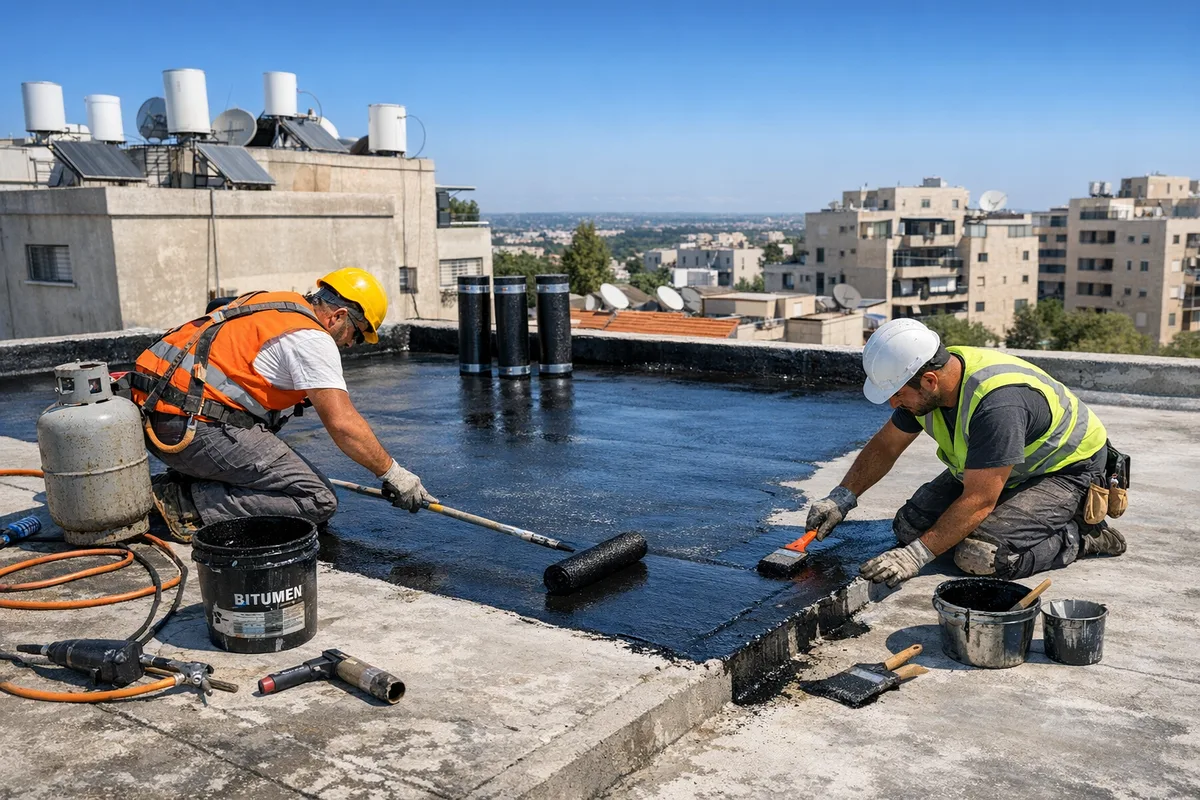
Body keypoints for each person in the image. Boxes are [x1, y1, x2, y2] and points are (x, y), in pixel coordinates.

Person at [807, 318, 1127, 589]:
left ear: (930, 381)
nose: (893, 403)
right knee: (909, 526)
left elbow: (979, 500)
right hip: (1008, 468)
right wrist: (841, 498)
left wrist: (916, 557)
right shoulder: (929, 383)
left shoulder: (998, 405)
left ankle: (1081, 537)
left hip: (1068, 470)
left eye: (896, 395)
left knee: (980, 555)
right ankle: (1017, 515)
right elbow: (886, 445)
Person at [127, 267, 436, 542]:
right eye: (357, 333)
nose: (351, 344)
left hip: (151, 413)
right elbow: (343, 424)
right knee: (316, 499)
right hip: (191, 427)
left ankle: (184, 483)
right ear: (339, 316)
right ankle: (183, 503)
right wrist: (393, 474)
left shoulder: (274, 303)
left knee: (273, 458)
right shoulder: (312, 339)